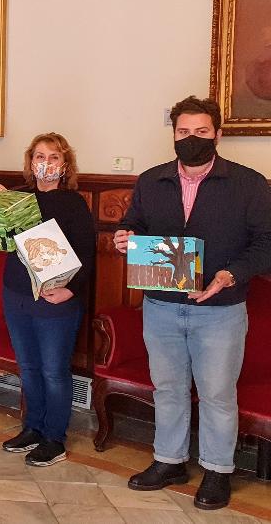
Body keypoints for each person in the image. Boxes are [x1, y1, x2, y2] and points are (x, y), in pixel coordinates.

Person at [116, 96, 271, 510]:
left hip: (221, 309)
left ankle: (218, 470)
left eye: (201, 131)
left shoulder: (249, 183)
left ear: (217, 134)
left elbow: (267, 244)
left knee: (217, 393)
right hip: (160, 305)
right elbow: (134, 224)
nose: (192, 138)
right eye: (183, 131)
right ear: (174, 134)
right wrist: (124, 237)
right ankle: (170, 461)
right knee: (168, 388)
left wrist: (229, 275)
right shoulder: (151, 180)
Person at [0, 133, 94, 467]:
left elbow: (88, 255)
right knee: (29, 367)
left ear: (65, 165)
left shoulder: (74, 203)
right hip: (16, 294)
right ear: (30, 162)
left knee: (53, 371)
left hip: (56, 298)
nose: (45, 163)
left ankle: (54, 438)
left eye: (53, 157)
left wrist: (70, 291)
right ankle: (32, 428)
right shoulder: (17, 198)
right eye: (39, 156)